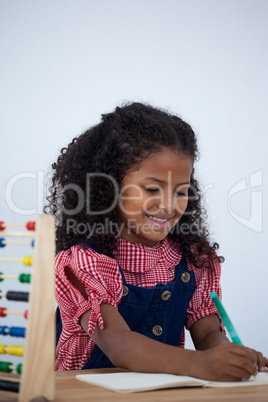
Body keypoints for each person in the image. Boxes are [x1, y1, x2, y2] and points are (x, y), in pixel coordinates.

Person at [46, 102, 268, 380]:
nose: (168, 204)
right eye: (152, 188)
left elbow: (208, 331)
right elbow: (118, 345)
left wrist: (229, 356)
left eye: (181, 191)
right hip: (82, 394)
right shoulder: (84, 262)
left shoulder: (193, 259)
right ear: (107, 187)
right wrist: (201, 364)